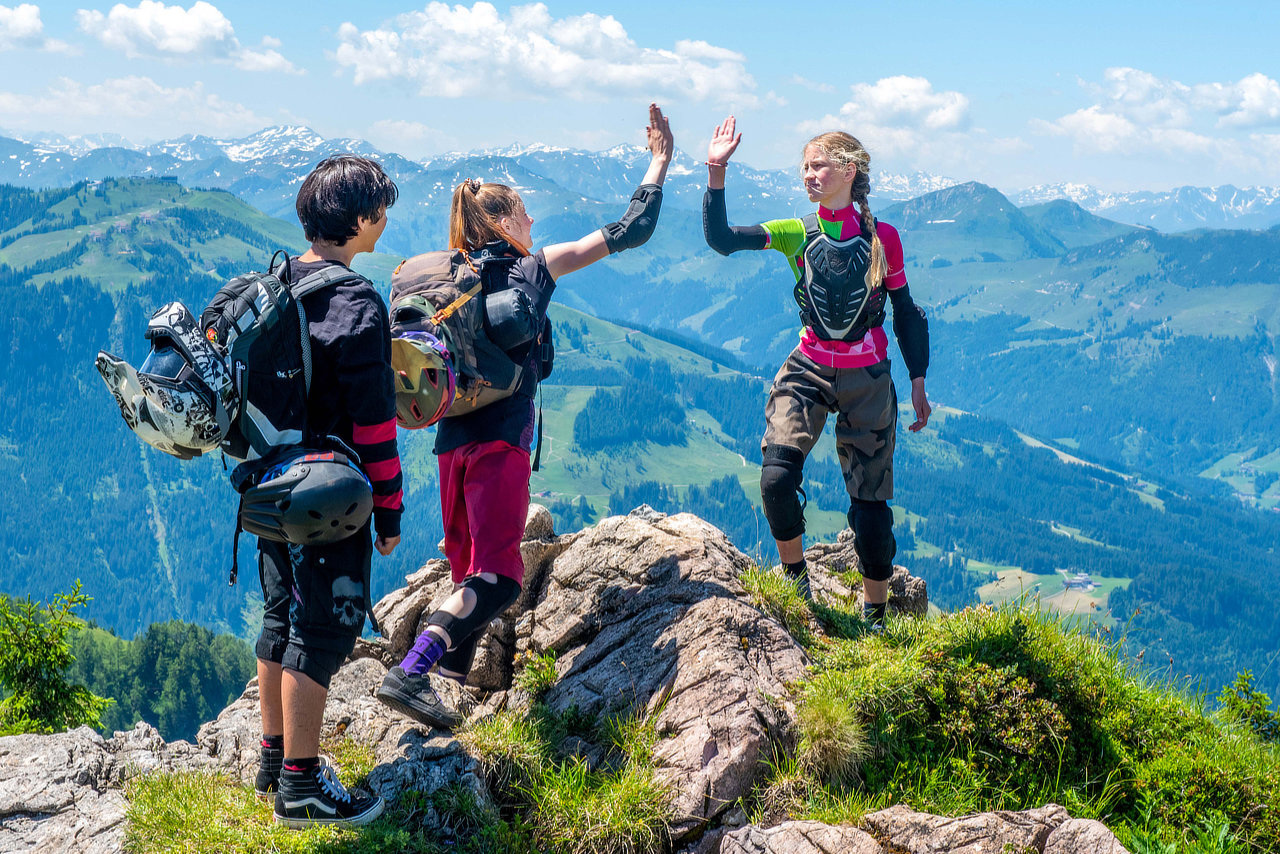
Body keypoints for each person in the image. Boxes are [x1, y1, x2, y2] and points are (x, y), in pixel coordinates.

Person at [376, 104, 673, 727]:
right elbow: (630, 230)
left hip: (449, 441)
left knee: (468, 576)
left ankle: (451, 703)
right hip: (500, 446)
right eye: (524, 211)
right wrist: (659, 161)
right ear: (503, 220)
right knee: (503, 577)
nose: (534, 219)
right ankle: (411, 672)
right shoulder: (532, 267)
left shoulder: (444, 278)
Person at [701, 116, 930, 630]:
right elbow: (721, 238)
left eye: (818, 165)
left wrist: (917, 379)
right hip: (807, 367)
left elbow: (906, 310)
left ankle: (874, 614)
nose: (808, 175)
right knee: (777, 477)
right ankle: (795, 582)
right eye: (804, 166)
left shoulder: (883, 238)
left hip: (867, 376)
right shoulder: (795, 233)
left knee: (870, 509)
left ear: (848, 170)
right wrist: (716, 170)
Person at [254, 155, 404, 828]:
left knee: (281, 618)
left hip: (265, 486)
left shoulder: (274, 284)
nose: (385, 221)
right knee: (321, 631)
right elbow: (374, 425)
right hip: (327, 496)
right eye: (382, 211)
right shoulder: (356, 301)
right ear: (363, 220)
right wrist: (390, 509)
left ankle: (273, 758)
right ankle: (302, 789)